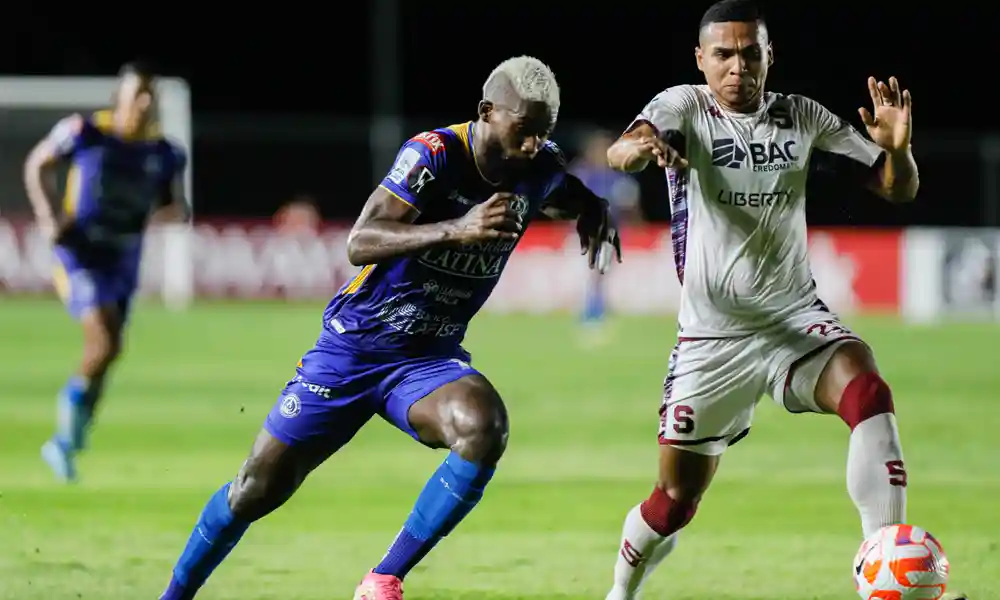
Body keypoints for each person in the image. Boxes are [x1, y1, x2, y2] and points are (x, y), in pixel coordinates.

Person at [157, 55, 621, 600]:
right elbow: (360, 241)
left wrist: (591, 206)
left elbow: (558, 189)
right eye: (522, 130)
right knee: (256, 490)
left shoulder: (537, 165)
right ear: (487, 112)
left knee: (482, 426)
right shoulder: (434, 156)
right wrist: (456, 229)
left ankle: (383, 578)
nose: (530, 145)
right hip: (353, 348)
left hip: (426, 361)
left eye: (542, 133)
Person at [601, 1, 924, 598]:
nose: (738, 66)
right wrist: (643, 149)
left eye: (751, 53)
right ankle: (621, 591)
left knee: (867, 389)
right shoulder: (684, 107)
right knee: (674, 502)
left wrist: (897, 152)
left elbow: (895, 189)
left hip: (793, 319)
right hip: (711, 339)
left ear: (770, 56)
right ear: (701, 59)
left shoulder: (803, 117)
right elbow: (627, 145)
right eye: (723, 54)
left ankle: (885, 570)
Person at [23, 61, 189, 483]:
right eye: (138, 94)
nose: (146, 103)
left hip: (124, 259)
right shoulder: (84, 133)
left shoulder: (165, 154)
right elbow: (37, 164)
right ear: (120, 98)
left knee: (109, 351)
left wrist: (175, 212)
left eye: (151, 95)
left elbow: (172, 205)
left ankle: (70, 438)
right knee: (105, 339)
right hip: (81, 254)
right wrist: (48, 218)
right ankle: (61, 441)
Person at [569, 130, 641, 339]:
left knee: (600, 275)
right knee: (587, 275)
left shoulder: (617, 176)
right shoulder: (580, 174)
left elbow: (630, 205)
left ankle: (594, 315)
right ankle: (589, 314)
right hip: (582, 234)